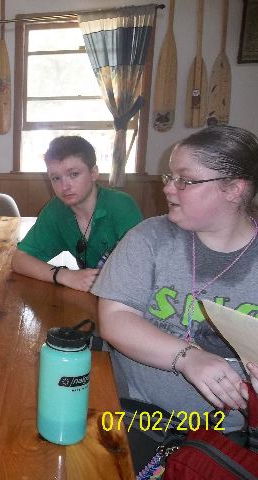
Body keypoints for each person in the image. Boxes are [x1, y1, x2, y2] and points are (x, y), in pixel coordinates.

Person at [92, 125, 258, 436]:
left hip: (231, 436)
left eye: (185, 180)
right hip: (137, 415)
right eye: (170, 177)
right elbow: (115, 318)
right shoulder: (150, 237)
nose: (169, 188)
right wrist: (186, 357)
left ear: (234, 189)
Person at [11, 136, 143, 292]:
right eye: (56, 178)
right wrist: (65, 276)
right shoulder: (56, 209)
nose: (64, 186)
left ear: (93, 173)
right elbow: (19, 260)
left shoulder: (120, 205)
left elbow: (141, 268)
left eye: (73, 174)